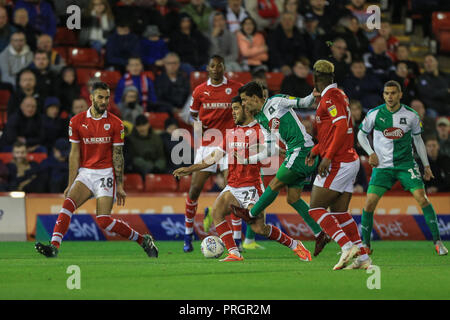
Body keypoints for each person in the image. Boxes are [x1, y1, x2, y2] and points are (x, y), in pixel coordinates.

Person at [174, 95, 312, 261]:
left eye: (236, 109)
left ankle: (295, 245)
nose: (233, 113)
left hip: (251, 187)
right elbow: (214, 156)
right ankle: (234, 252)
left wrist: (282, 151)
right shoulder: (231, 133)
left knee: (260, 228)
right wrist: (190, 169)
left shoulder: (260, 129)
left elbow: (274, 148)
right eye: (232, 109)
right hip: (232, 186)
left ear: (246, 109)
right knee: (217, 212)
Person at [35, 81, 158, 258]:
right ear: (91, 97)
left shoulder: (116, 124)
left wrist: (120, 185)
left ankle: (142, 240)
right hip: (86, 173)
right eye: (100, 97)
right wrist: (70, 183)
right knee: (68, 204)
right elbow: (74, 154)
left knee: (103, 221)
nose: (104, 101)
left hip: (105, 173)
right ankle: (54, 247)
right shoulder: (76, 122)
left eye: (107, 98)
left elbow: (118, 155)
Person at [230, 81, 331, 257]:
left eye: (245, 100)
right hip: (295, 153)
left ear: (255, 97)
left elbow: (303, 103)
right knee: (293, 198)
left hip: (302, 150)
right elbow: (269, 148)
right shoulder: (261, 118)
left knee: (275, 183)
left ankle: (250, 213)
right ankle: (320, 233)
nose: (243, 104)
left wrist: (313, 95)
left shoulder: (277, 101)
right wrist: (247, 160)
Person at [357, 80, 448, 256]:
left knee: (422, 199)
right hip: (382, 167)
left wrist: (426, 165)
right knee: (369, 204)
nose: (389, 97)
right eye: (386, 93)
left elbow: (418, 141)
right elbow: (361, 134)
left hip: (405, 165)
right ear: (383, 95)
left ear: (400, 95)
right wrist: (370, 153)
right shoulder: (375, 114)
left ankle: (438, 242)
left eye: (393, 93)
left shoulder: (412, 115)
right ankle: (366, 246)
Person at [301, 60, 371, 270]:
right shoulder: (339, 94)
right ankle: (363, 258)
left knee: (315, 209)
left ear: (315, 78)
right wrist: (315, 151)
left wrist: (327, 157)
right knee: (340, 213)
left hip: (339, 161)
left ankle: (346, 246)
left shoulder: (330, 98)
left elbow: (341, 128)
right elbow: (332, 132)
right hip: (349, 159)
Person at [183, 55, 242, 253]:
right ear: (207, 68)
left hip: (230, 144)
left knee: (232, 190)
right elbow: (192, 115)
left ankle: (236, 239)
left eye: (219, 65)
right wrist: (199, 126)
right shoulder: (200, 90)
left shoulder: (235, 88)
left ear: (224, 67)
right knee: (194, 189)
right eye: (212, 65)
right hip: (208, 144)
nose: (216, 69)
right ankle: (188, 234)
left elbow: (245, 109)